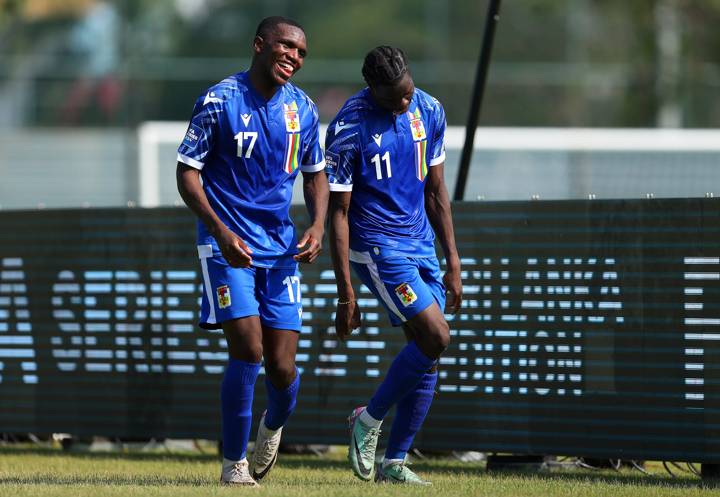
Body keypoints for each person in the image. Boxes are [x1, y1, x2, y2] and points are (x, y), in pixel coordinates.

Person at [176, 16, 328, 487]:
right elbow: (186, 173)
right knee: (248, 348)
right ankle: (234, 464)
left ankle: (274, 425)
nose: (294, 57)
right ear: (259, 45)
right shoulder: (219, 100)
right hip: (227, 245)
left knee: (282, 368)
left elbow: (316, 173)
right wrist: (220, 233)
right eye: (286, 46)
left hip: (280, 248)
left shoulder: (301, 108)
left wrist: (319, 224)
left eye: (301, 52)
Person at [325, 46, 462, 485]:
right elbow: (339, 213)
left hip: (420, 242)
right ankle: (369, 419)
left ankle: (394, 463)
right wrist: (346, 291)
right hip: (377, 247)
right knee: (437, 334)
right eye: (393, 99)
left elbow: (437, 191)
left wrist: (454, 262)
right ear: (372, 90)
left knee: (426, 352)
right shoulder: (349, 127)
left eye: (408, 93)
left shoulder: (430, 110)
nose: (404, 104)